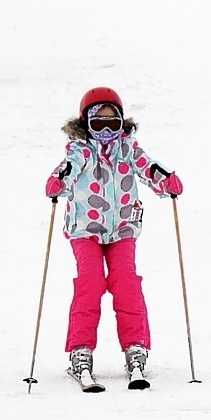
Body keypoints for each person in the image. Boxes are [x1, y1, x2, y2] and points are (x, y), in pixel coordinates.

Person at [44, 86, 183, 383]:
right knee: (90, 284)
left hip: (122, 229)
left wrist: (166, 181)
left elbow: (148, 167)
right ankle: (80, 350)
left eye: (112, 123)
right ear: (86, 124)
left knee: (126, 284)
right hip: (86, 230)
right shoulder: (79, 150)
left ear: (122, 123)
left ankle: (136, 347)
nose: (106, 131)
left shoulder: (127, 149)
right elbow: (67, 170)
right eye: (98, 124)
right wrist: (58, 182)